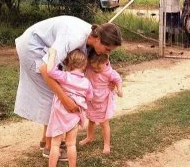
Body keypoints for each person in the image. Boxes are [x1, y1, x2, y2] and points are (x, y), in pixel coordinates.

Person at [14, 15, 122, 159]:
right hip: (33, 47)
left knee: (57, 91)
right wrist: (65, 100)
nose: (107, 53)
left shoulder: (93, 36)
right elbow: (45, 68)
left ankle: (46, 140)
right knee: (53, 95)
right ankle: (50, 147)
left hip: (44, 47)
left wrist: (110, 78)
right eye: (107, 49)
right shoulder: (74, 38)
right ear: (98, 39)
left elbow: (99, 64)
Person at [46, 48, 93, 167]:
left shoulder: (65, 76)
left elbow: (50, 71)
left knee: (55, 144)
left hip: (59, 114)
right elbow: (90, 97)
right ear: (84, 65)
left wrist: (52, 54)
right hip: (74, 116)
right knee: (71, 144)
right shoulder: (87, 82)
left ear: (69, 64)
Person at [79, 52, 123, 154]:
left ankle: (106, 144)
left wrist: (119, 89)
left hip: (103, 100)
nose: (96, 70)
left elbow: (118, 80)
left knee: (104, 123)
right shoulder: (90, 67)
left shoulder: (110, 72)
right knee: (91, 120)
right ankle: (89, 137)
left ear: (106, 62)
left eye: (99, 68)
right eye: (94, 68)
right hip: (92, 100)